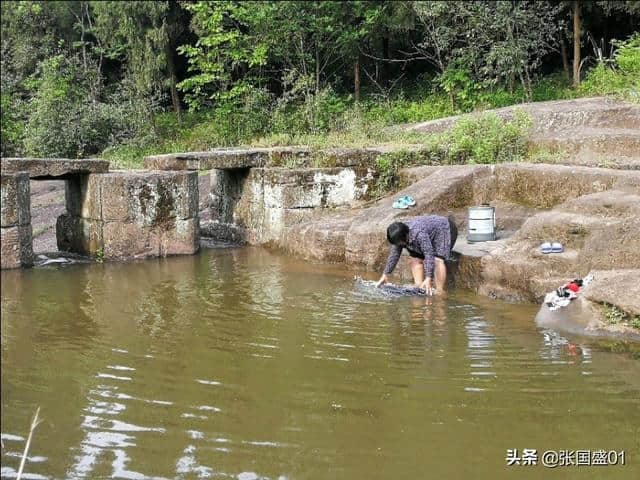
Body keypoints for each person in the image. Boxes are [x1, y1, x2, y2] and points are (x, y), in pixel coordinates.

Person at [376, 215, 458, 294]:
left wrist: (428, 277)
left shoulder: (419, 233)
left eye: (399, 243)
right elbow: (394, 255)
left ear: (405, 236)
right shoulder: (399, 235)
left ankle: (440, 291)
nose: (398, 245)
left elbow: (429, 254)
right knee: (415, 259)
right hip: (427, 234)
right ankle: (419, 286)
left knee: (437, 260)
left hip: (444, 229)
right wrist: (385, 274)